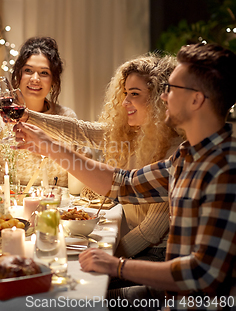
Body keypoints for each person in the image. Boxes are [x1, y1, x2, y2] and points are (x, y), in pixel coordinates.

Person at [14, 43, 236, 310]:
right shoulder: (188, 156)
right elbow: (125, 183)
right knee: (65, 293)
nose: (163, 97)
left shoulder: (224, 169)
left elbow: (203, 275)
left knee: (74, 298)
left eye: (171, 89)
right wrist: (50, 146)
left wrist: (116, 265)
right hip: (172, 297)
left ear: (196, 99)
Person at [22, 53, 182, 265]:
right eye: (125, 93)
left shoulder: (174, 150)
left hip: (156, 256)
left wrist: (106, 256)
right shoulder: (134, 135)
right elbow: (80, 131)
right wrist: (25, 116)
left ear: (158, 98)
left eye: (134, 94)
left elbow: (150, 233)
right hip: (137, 250)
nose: (125, 102)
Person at [0, 36, 78, 188]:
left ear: (53, 81)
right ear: (18, 75)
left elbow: (83, 165)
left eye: (44, 73)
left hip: (59, 206)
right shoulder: (0, 117)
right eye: (28, 70)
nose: (35, 79)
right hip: (10, 206)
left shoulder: (66, 117)